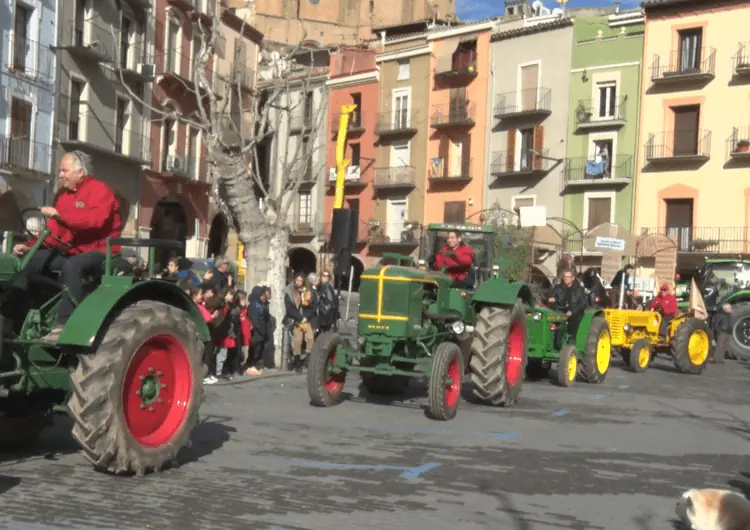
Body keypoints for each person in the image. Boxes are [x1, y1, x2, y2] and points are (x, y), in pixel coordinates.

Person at [11, 150, 122, 341]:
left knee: (74, 265)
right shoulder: (64, 197)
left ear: (81, 172)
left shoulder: (100, 191)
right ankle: (12, 318)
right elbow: (54, 232)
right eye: (60, 171)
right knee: (26, 263)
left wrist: (60, 215)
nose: (60, 175)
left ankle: (63, 325)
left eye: (64, 170)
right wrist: (30, 247)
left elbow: (95, 220)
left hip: (100, 252)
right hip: (72, 252)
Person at [285, 273, 315, 372]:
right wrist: (300, 318)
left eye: (301, 281)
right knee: (297, 340)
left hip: (306, 319)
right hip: (296, 319)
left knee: (310, 338)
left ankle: (307, 358)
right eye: (297, 280)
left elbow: (312, 307)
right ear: (294, 280)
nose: (299, 282)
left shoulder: (308, 292)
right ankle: (297, 361)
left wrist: (306, 317)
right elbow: (289, 309)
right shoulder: (289, 292)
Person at [548, 269, 588, 340]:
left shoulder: (579, 290)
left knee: (573, 320)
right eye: (564, 277)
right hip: (559, 312)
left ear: (573, 278)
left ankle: (571, 339)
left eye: (568, 277)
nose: (566, 278)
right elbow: (550, 298)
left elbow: (583, 304)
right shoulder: (558, 288)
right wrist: (551, 299)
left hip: (574, 314)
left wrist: (572, 311)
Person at [247, 286, 268, 376]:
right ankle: (252, 367)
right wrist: (262, 331)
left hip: (259, 332)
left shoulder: (259, 303)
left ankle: (254, 366)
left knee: (257, 350)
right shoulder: (255, 305)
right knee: (255, 350)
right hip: (257, 332)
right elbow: (256, 320)